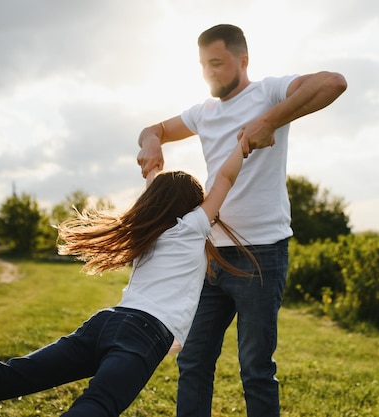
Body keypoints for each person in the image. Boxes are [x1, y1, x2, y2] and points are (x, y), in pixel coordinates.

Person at [0, 138, 257, 417]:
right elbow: (225, 178)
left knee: (4, 379)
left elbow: (161, 190)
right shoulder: (192, 227)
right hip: (144, 334)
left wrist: (153, 164)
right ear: (193, 207)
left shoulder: (147, 228)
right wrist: (242, 145)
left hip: (107, 323)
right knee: (99, 405)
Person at [137, 23, 347, 417]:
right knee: (193, 361)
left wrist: (270, 120)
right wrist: (151, 140)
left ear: (242, 60)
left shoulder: (267, 93)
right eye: (203, 65)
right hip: (211, 255)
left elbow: (333, 82)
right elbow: (156, 129)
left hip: (262, 255)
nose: (210, 72)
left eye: (217, 63)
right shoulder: (204, 112)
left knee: (255, 369)